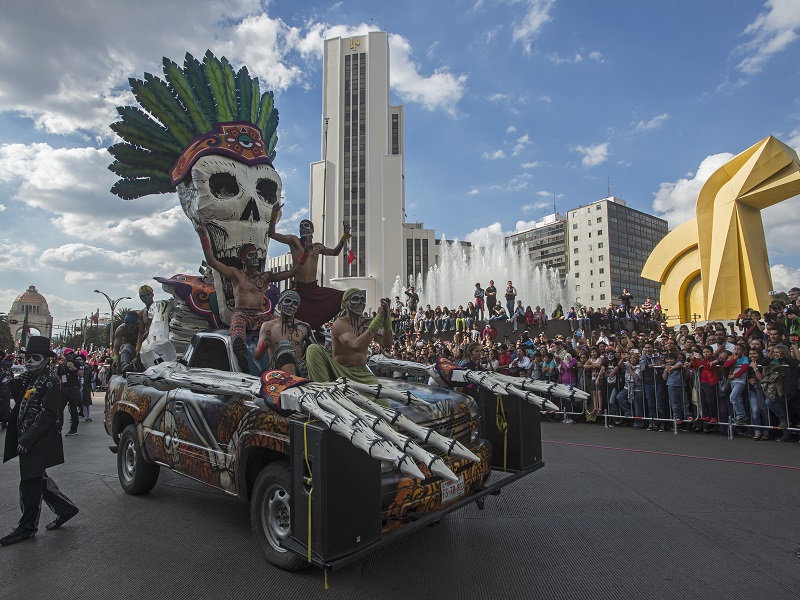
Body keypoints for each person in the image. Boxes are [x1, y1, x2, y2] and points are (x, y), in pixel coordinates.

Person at [196, 221, 306, 372]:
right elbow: (212, 262)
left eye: (256, 254)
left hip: (261, 315)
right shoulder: (236, 274)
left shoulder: (265, 277)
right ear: (243, 259)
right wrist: (204, 238)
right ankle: (244, 368)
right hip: (241, 313)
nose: (255, 257)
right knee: (238, 339)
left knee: (290, 325)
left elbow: (292, 272)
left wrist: (305, 254)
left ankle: (298, 362)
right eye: (251, 254)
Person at [1, 336, 79, 546]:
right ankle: (65, 508)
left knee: (29, 483)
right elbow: (19, 398)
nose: (29, 362)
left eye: (35, 358)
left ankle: (27, 527)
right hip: (28, 438)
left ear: (46, 359)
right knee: (36, 479)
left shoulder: (50, 380)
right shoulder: (33, 377)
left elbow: (48, 415)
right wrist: (20, 380)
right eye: (27, 357)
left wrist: (27, 439)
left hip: (38, 440)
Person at [268, 206, 351, 329]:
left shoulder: (317, 247)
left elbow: (335, 252)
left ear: (312, 230)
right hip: (299, 289)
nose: (303, 229)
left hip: (313, 288)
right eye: (301, 227)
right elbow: (272, 234)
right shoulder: (294, 241)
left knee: (344, 296)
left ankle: (343, 327)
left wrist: (344, 237)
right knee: (295, 322)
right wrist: (274, 215)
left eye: (306, 227)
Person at [306, 290, 392, 388]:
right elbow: (355, 345)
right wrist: (378, 320)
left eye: (363, 299)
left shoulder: (369, 323)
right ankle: (324, 391)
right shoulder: (339, 324)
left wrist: (386, 319)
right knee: (313, 349)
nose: (360, 302)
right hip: (341, 371)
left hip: (363, 373)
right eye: (355, 299)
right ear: (344, 303)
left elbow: (387, 344)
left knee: (382, 403)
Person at [254, 290, 314, 377]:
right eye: (287, 301)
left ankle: (293, 380)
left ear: (297, 308)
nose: (291, 305)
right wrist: (263, 346)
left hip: (300, 374)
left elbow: (316, 351)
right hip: (276, 374)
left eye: (295, 303)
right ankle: (291, 381)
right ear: (279, 304)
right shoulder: (268, 327)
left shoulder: (303, 327)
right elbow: (257, 356)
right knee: (284, 345)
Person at [57, 348, 81, 436]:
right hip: (64, 389)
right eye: (67, 355)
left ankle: (73, 428)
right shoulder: (62, 365)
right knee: (59, 409)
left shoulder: (76, 364)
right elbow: (58, 377)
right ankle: (59, 427)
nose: (69, 356)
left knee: (73, 410)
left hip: (73, 389)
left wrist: (73, 368)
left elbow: (81, 374)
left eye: (71, 354)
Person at [136, 284, 155, 358]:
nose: (145, 298)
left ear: (152, 295)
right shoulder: (142, 313)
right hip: (148, 342)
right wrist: (138, 348)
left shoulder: (159, 308)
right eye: (142, 296)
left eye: (147, 294)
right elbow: (141, 332)